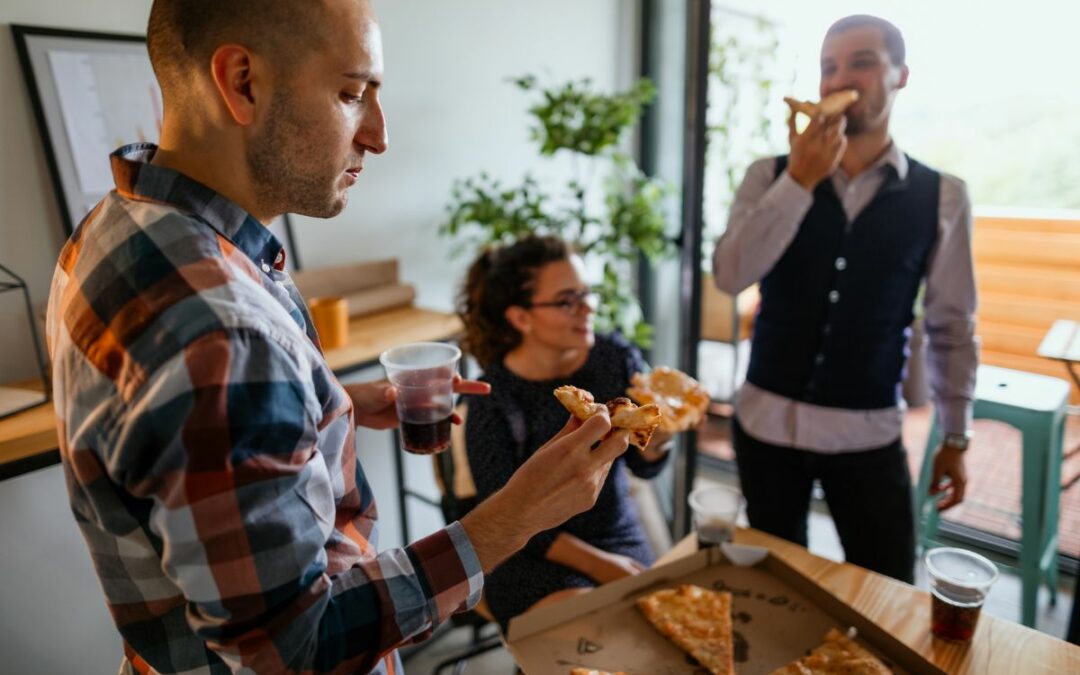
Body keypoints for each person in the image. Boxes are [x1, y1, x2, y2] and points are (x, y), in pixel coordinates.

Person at [44, 2, 629, 673]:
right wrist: (514, 516)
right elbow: (296, 649)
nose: (379, 135)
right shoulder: (225, 333)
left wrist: (325, 404)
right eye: (352, 94)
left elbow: (175, 437)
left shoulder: (115, 227)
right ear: (242, 82)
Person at [712, 14, 978, 583]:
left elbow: (951, 325)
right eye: (828, 67)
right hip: (765, 428)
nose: (838, 80)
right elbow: (730, 276)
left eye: (861, 62)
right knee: (772, 588)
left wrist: (956, 435)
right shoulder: (770, 175)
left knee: (886, 589)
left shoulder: (943, 196)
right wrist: (800, 184)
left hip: (868, 434)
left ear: (900, 74)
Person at [457, 235, 674, 629]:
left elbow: (644, 468)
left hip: (614, 531)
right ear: (520, 317)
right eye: (566, 300)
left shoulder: (615, 359)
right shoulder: (493, 401)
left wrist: (660, 441)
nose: (587, 308)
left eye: (587, 294)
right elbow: (506, 517)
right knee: (588, 638)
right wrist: (602, 567)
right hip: (527, 551)